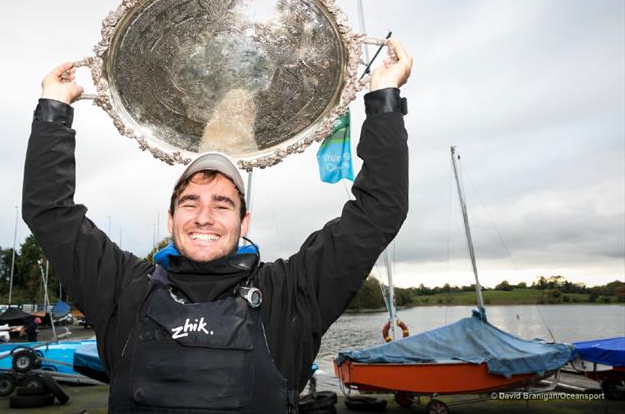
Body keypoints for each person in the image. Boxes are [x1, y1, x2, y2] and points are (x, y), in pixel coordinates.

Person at [23, 40, 412, 413]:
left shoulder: (291, 294)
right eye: (190, 202)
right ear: (171, 217)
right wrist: (53, 109)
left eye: (222, 204)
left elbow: (379, 210)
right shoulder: (122, 288)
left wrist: (385, 98)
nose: (204, 216)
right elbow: (49, 211)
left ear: (244, 222)